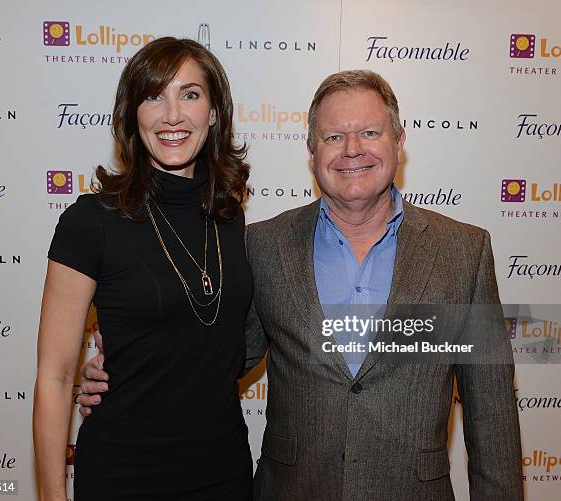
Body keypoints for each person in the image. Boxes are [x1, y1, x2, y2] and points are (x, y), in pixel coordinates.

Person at [79, 70, 523, 500]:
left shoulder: (464, 252)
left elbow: (493, 418)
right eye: (332, 137)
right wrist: (125, 367)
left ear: (399, 142)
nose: (352, 150)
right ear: (311, 151)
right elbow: (217, 356)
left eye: (370, 132)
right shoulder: (264, 246)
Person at [33, 37, 254, 501]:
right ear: (133, 114)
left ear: (214, 113)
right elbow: (54, 376)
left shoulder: (230, 218)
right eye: (154, 96)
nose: (172, 115)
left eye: (190, 94)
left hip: (224, 472)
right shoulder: (91, 221)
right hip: (123, 474)